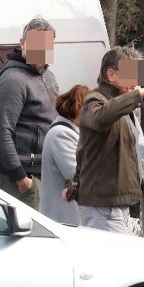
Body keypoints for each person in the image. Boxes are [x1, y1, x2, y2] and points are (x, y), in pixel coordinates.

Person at [73, 46, 144, 235]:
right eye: (131, 73)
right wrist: (139, 95)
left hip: (119, 204)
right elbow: (101, 117)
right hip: (104, 205)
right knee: (111, 262)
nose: (136, 81)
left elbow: (87, 149)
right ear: (111, 75)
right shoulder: (95, 100)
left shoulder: (124, 105)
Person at [0, 16, 59, 209]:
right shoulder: (13, 80)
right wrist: (21, 178)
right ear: (23, 43)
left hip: (47, 174)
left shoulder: (49, 76)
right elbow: (1, 132)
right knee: (29, 237)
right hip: (24, 180)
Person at [40, 84, 89, 225]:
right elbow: (77, 173)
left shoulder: (69, 130)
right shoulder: (61, 134)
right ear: (79, 109)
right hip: (64, 218)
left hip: (67, 216)